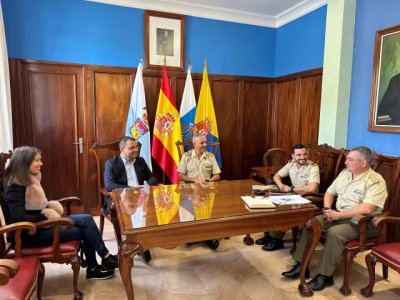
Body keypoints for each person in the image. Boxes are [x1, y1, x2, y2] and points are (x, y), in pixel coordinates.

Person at [3, 146, 119, 280]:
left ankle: (103, 259)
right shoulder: (14, 187)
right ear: (24, 162)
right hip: (30, 235)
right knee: (85, 230)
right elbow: (19, 217)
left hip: (43, 225)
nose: (41, 163)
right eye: (37, 160)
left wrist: (50, 206)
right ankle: (97, 265)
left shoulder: (30, 179)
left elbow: (43, 201)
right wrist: (45, 215)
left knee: (87, 218)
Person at [282, 146, 387, 292]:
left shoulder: (375, 181)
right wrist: (326, 209)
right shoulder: (345, 174)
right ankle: (301, 265)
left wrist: (338, 215)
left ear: (363, 163)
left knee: (335, 233)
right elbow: (330, 192)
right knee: (311, 223)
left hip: (363, 222)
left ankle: (325, 276)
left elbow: (367, 208)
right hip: (338, 214)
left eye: (350, 159)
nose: (346, 162)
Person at [256, 144, 320, 251]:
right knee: (271, 202)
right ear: (293, 156)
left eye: (305, 154)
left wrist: (291, 189)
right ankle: (270, 235)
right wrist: (281, 185)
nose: (303, 157)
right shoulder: (291, 164)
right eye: (299, 155)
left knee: (283, 210)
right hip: (295, 197)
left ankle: (276, 239)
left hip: (309, 199)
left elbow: (312, 188)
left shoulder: (313, 167)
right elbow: (276, 176)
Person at [103, 136, 157, 264]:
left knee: (151, 211)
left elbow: (152, 178)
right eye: (132, 147)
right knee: (132, 214)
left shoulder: (140, 161)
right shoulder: (111, 163)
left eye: (137, 147)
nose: (136, 150)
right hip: (121, 199)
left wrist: (148, 185)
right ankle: (131, 246)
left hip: (140, 198)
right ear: (122, 149)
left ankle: (143, 245)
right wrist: (132, 189)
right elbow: (109, 185)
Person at [178, 133, 221, 249]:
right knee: (189, 210)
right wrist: (195, 180)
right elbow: (180, 176)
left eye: (205, 142)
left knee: (209, 210)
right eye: (202, 142)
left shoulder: (210, 156)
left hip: (206, 190)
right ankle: (194, 235)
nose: (205, 144)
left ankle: (208, 236)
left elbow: (217, 175)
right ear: (194, 144)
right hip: (189, 190)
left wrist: (209, 180)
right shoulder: (186, 156)